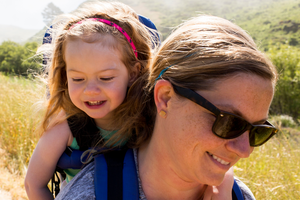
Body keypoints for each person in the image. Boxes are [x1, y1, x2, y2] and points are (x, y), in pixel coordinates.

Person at [54, 14, 278, 200]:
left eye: (257, 131)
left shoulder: (238, 196)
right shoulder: (92, 194)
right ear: (165, 98)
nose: (244, 151)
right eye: (230, 122)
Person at [24, 1, 154, 200]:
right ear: (65, 77)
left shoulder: (150, 118)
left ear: (133, 73)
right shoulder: (64, 127)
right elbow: (34, 184)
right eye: (77, 79)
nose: (91, 91)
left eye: (106, 78)